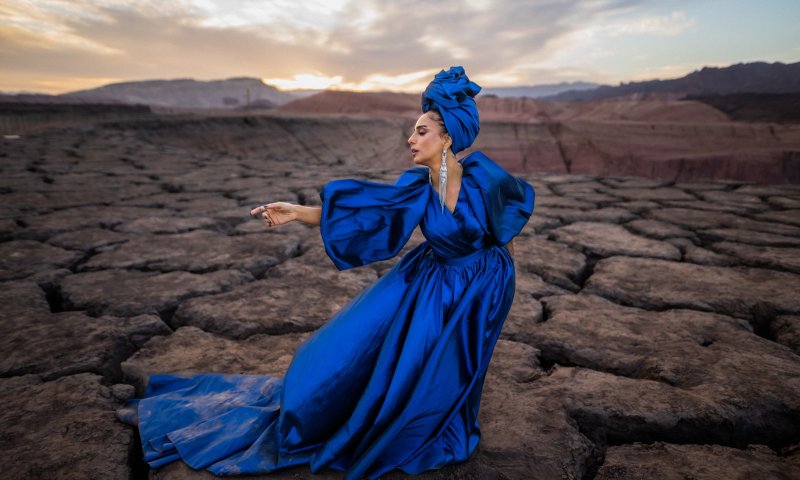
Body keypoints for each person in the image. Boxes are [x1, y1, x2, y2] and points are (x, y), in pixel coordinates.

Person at [117, 66, 535, 480]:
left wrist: (502, 283)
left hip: (484, 284)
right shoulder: (416, 187)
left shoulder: (486, 179)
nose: (410, 138)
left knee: (458, 362)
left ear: (447, 137)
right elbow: (362, 214)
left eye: (421, 131)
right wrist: (296, 212)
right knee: (369, 347)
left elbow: (506, 230)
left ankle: (444, 418)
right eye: (412, 130)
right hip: (434, 281)